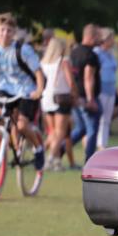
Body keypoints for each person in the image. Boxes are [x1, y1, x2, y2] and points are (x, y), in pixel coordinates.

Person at [0, 13, 46, 171]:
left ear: (14, 33)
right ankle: (1, 150)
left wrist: (39, 90)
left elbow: (38, 72)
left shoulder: (23, 50)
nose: (5, 33)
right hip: (6, 88)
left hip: (26, 90)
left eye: (9, 30)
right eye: (2, 30)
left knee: (21, 125)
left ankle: (38, 149)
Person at [40, 37, 77, 171]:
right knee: (60, 132)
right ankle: (50, 159)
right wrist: (75, 94)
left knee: (52, 132)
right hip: (61, 97)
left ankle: (55, 161)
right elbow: (70, 81)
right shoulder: (63, 61)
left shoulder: (44, 62)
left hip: (46, 98)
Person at [69, 23, 102, 164]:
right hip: (86, 98)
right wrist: (91, 99)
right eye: (98, 37)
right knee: (92, 130)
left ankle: (59, 150)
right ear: (91, 37)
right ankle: (90, 161)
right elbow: (88, 77)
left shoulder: (74, 52)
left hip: (76, 97)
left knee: (81, 128)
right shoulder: (90, 55)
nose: (100, 40)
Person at [95, 28, 118, 149]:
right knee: (101, 119)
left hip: (111, 89)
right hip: (101, 89)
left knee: (107, 119)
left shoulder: (110, 53)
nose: (113, 41)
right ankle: (100, 144)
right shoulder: (97, 52)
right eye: (111, 38)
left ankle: (103, 144)